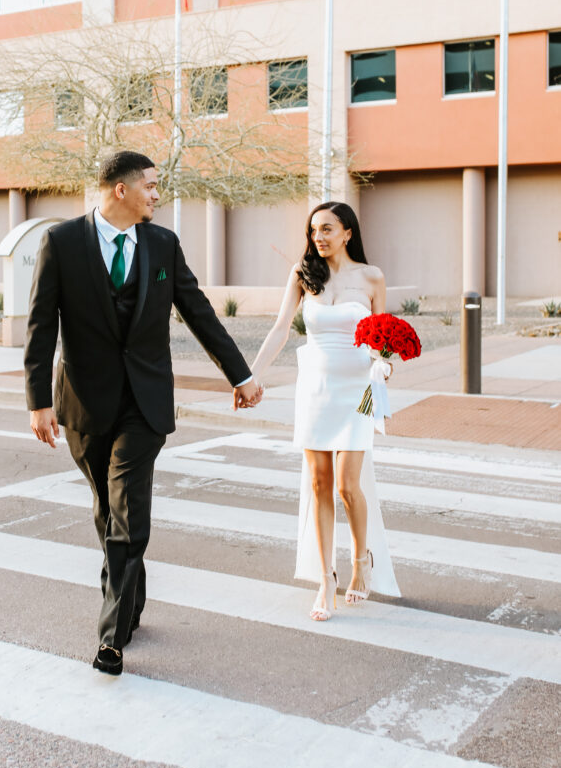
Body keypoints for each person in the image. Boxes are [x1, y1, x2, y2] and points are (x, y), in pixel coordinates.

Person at [24, 150, 262, 675]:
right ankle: (129, 606)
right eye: (151, 186)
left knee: (128, 510)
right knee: (108, 513)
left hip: (145, 404)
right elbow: (41, 326)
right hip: (84, 404)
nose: (158, 195)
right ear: (121, 190)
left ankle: (111, 637)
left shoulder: (162, 244)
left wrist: (239, 375)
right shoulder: (61, 243)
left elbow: (197, 310)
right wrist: (38, 400)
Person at [250, 201, 400, 619]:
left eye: (328, 229)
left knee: (348, 487)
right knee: (319, 484)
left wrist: (384, 361)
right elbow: (281, 328)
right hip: (315, 388)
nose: (319, 236)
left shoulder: (371, 277)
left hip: (357, 390)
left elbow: (382, 334)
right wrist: (252, 376)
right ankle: (326, 578)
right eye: (314, 229)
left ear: (348, 233)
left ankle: (360, 562)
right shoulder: (303, 274)